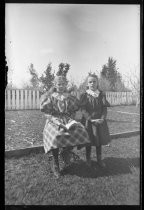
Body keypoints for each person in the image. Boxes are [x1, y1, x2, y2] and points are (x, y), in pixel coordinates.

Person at [40, 75, 90, 178]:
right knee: (57, 136)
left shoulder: (69, 96)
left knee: (82, 132)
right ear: (55, 85)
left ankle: (65, 151)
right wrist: (55, 120)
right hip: (54, 120)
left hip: (67, 119)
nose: (61, 86)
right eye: (59, 84)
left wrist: (71, 119)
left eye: (63, 84)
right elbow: (46, 113)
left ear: (65, 85)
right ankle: (56, 164)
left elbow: (75, 109)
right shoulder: (50, 96)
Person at [78, 73, 111, 168]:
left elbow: (104, 108)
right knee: (88, 140)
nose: (92, 84)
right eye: (90, 82)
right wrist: (90, 119)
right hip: (89, 121)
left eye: (94, 82)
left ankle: (99, 159)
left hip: (100, 121)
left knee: (98, 140)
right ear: (87, 84)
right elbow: (83, 110)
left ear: (97, 83)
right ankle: (88, 159)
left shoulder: (101, 94)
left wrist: (102, 119)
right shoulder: (84, 95)